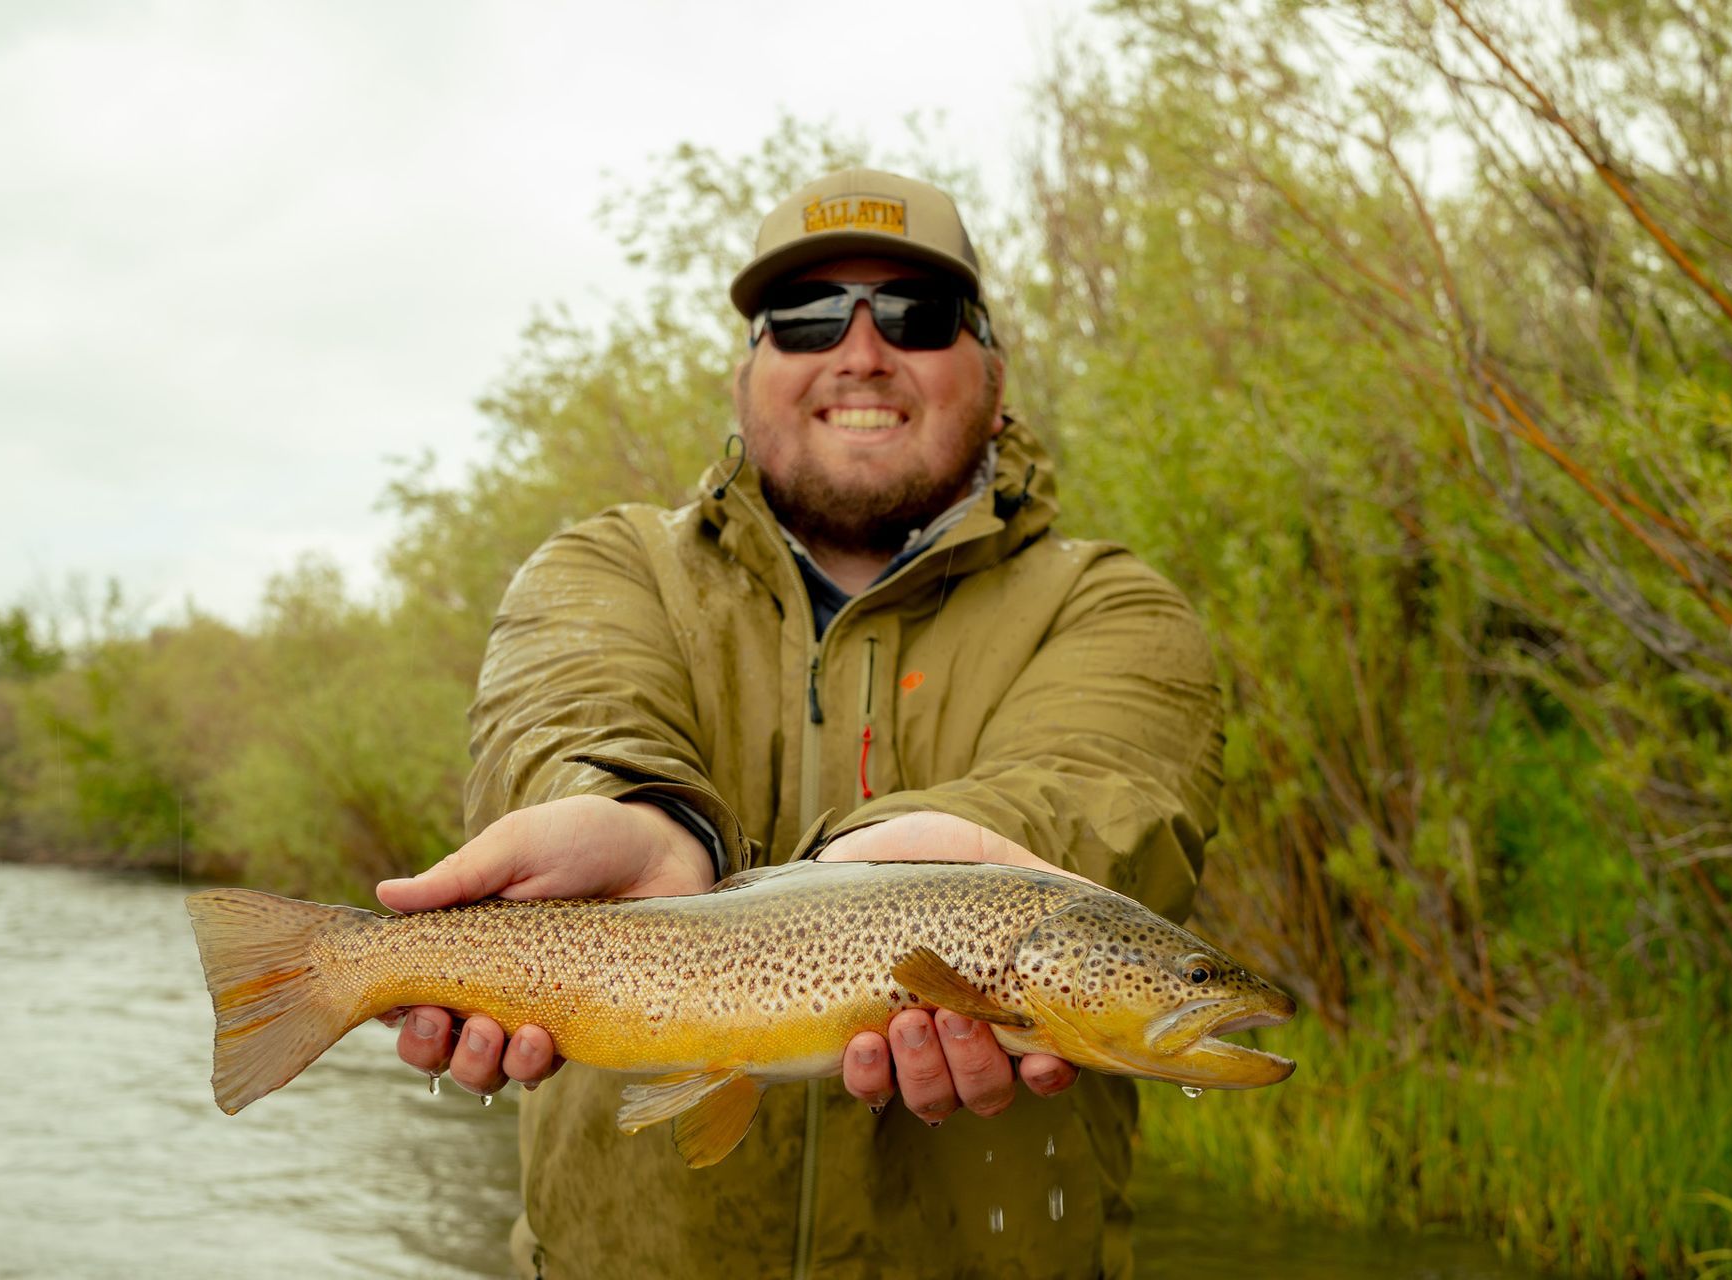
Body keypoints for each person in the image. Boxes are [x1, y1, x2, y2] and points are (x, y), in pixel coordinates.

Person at [375, 168, 1224, 1280]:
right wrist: (642, 818)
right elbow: (565, 719)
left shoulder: (1110, 604)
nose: (861, 352)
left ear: (996, 372)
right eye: (808, 318)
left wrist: (916, 882)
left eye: (916, 317)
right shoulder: (610, 564)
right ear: (748, 373)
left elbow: (1103, 804)